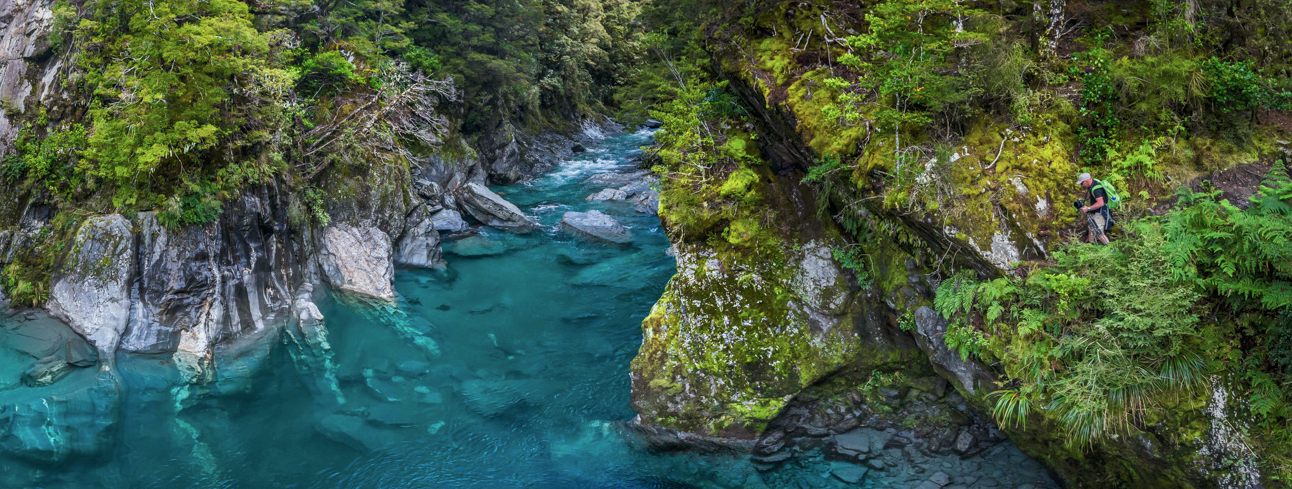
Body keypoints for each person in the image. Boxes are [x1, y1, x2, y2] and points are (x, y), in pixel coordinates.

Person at [1076, 172, 1111, 245]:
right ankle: (1091, 247)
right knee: (1091, 229)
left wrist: (1088, 208)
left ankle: (1110, 248)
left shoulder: (1096, 189)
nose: (1082, 185)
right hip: (1097, 212)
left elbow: (1101, 203)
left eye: (1082, 183)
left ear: (1086, 181)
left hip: (1101, 212)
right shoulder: (1093, 184)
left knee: (1099, 233)